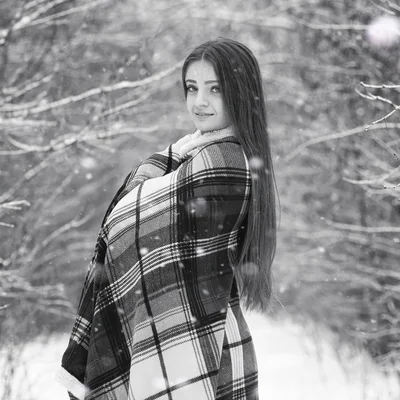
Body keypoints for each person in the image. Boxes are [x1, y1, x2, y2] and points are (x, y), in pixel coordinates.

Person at [58, 37, 279, 400]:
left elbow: (128, 220)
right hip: (192, 342)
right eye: (192, 88)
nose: (199, 102)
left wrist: (161, 163)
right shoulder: (194, 157)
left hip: (189, 347)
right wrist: (170, 157)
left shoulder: (222, 164)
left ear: (240, 93)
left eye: (215, 89)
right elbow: (130, 219)